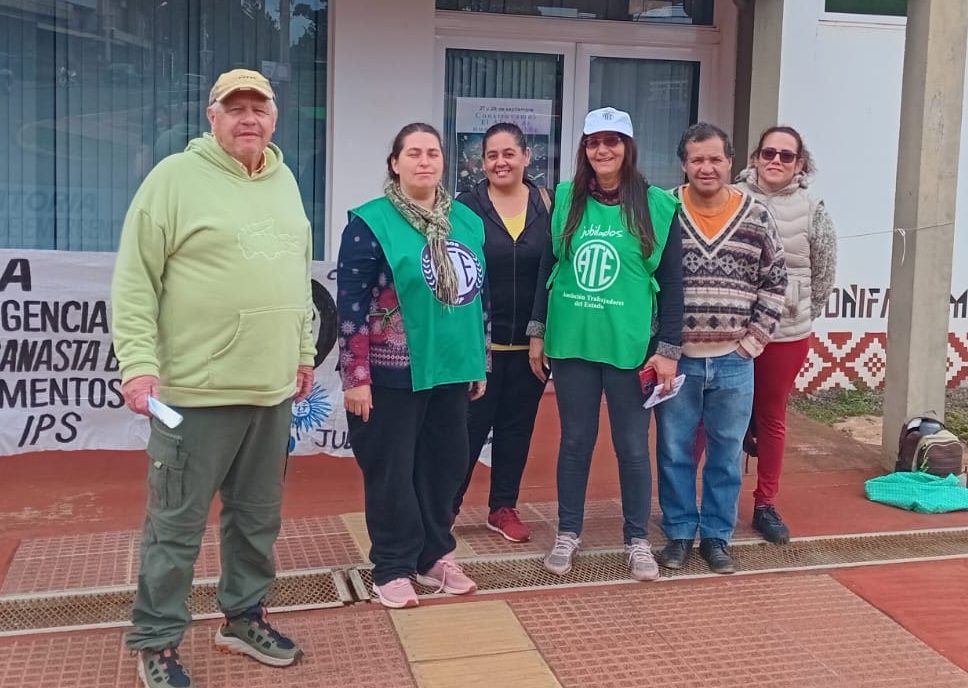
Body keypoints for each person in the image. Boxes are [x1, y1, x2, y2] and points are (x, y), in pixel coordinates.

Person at [111, 69, 314, 688]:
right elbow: (135, 280)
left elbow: (297, 275)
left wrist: (303, 352)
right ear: (212, 116)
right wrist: (138, 365)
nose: (248, 119)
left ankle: (243, 617)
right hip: (196, 394)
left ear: (274, 117)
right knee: (175, 527)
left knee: (257, 518)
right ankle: (157, 640)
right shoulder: (173, 179)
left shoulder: (285, 180)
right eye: (235, 108)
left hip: (272, 391)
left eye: (259, 108)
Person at [528, 107, 684, 582]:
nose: (603, 150)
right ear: (585, 148)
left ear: (627, 147)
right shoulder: (566, 197)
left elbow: (673, 284)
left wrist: (668, 349)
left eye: (612, 141)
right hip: (572, 342)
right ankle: (567, 532)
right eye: (594, 141)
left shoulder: (657, 205)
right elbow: (547, 267)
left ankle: (637, 539)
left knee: (632, 447)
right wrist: (537, 331)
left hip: (629, 347)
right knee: (575, 442)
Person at [337, 122, 488, 609]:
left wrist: (479, 360)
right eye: (414, 153)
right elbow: (351, 305)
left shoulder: (465, 221)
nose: (425, 161)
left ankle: (433, 556)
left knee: (445, 466)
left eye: (433, 153)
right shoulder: (370, 223)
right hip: (390, 375)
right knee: (392, 472)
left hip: (451, 370)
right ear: (395, 163)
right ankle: (392, 566)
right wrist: (356, 377)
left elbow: (476, 297)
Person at [654, 122, 787, 575]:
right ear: (684, 164)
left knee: (726, 454)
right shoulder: (664, 210)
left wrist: (752, 343)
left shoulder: (756, 215)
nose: (706, 167)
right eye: (697, 159)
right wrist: (661, 346)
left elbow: (776, 282)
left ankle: (716, 537)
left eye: (715, 159)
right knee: (674, 451)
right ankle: (678, 534)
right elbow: (646, 278)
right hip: (678, 360)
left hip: (734, 360)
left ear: (731, 162)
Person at [734, 125, 837, 544]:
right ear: (756, 157)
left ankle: (765, 504)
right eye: (768, 152)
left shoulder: (813, 209)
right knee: (716, 418)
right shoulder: (732, 197)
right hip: (732, 330)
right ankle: (708, 502)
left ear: (800, 163)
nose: (776, 160)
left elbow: (824, 274)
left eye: (786, 155)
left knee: (771, 417)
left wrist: (799, 312)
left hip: (785, 333)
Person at [452, 122, 551, 543]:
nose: (500, 162)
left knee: (516, 429)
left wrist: (541, 331)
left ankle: (503, 507)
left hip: (531, 347)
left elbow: (553, 273)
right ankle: (445, 508)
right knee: (465, 431)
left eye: (509, 153)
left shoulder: (548, 204)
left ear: (527, 156)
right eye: (492, 155)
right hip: (481, 347)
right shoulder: (465, 207)